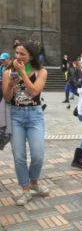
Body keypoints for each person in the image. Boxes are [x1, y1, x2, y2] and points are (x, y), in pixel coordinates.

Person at [2, 42, 49, 206]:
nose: (18, 57)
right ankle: (25, 188)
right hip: (15, 115)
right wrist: (9, 85)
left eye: (22, 54)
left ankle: (34, 182)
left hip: (35, 115)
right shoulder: (8, 72)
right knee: (19, 156)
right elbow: (7, 98)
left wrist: (22, 73)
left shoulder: (41, 71)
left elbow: (34, 91)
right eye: (16, 53)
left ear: (31, 56)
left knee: (38, 155)